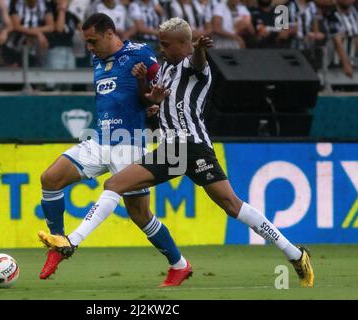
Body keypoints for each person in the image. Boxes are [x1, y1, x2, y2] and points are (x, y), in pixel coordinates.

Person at [39, 17, 315, 288]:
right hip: (176, 149)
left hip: (191, 147)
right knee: (116, 185)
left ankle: (295, 254)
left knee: (233, 206)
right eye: (160, 43)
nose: (161, 49)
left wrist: (201, 50)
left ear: (184, 44)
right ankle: (71, 241)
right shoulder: (165, 71)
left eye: (166, 45)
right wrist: (153, 101)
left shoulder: (195, 65)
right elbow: (156, 100)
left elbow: (198, 64)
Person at [38, 13, 192, 288]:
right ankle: (58, 242)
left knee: (140, 215)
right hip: (99, 139)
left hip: (129, 143)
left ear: (110, 33)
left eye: (92, 40)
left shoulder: (140, 53)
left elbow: (164, 88)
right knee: (50, 179)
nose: (89, 47)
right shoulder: (97, 60)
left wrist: (154, 105)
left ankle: (179, 264)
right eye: (86, 42)